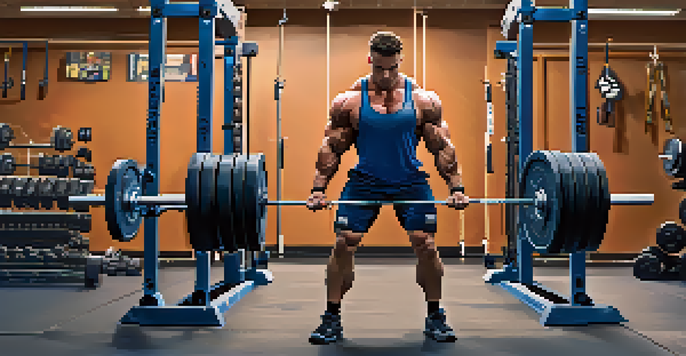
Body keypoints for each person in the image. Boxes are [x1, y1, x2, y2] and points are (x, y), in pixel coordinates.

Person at [306, 31, 469, 345]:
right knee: (344, 242)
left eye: (392, 68)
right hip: (364, 181)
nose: (385, 75)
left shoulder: (423, 100)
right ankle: (331, 318)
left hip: (410, 180)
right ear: (370, 60)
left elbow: (442, 147)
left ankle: (435, 316)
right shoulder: (349, 101)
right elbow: (331, 148)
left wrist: (456, 187)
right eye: (379, 68)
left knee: (426, 244)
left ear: (400, 61)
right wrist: (318, 188)